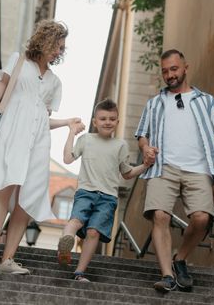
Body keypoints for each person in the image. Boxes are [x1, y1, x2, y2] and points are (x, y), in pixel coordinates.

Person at [0, 20, 85, 275]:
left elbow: (42, 118)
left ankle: (8, 259)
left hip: (39, 143)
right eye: (57, 46)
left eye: (62, 49)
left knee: (27, 199)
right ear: (45, 40)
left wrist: (66, 122)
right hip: (12, 133)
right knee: (3, 187)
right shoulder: (19, 61)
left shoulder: (55, 82)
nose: (59, 52)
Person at [135, 49, 214, 292]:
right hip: (162, 166)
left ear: (185, 67)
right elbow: (142, 134)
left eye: (174, 69)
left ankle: (180, 258)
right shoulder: (154, 103)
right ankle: (167, 275)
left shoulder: (206, 101)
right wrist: (145, 148)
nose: (170, 75)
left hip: (199, 168)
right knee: (160, 216)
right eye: (165, 71)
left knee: (202, 218)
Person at [58, 98, 150, 282]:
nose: (107, 122)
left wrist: (146, 165)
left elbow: (127, 173)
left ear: (117, 122)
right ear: (94, 122)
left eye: (111, 118)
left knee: (93, 233)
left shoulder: (121, 145)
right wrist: (71, 133)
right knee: (76, 220)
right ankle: (65, 243)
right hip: (85, 191)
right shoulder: (86, 139)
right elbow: (68, 159)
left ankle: (79, 272)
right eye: (102, 118)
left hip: (108, 198)